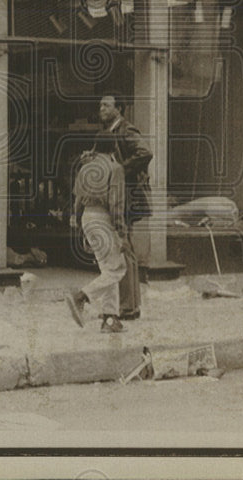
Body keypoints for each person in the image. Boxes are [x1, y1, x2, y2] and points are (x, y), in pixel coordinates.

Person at [94, 93, 152, 320]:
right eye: (101, 104)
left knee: (124, 249)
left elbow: (145, 152)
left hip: (128, 197)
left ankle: (128, 307)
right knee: (122, 249)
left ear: (119, 109)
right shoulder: (112, 132)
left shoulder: (126, 130)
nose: (102, 108)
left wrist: (119, 170)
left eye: (107, 105)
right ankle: (127, 305)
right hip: (120, 196)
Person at [66, 150, 128, 333]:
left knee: (107, 270)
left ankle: (110, 319)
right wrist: (120, 230)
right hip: (104, 217)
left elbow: (77, 201)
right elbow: (116, 203)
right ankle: (82, 296)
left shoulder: (86, 168)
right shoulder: (114, 168)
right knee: (118, 269)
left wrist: (80, 225)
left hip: (87, 216)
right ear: (113, 150)